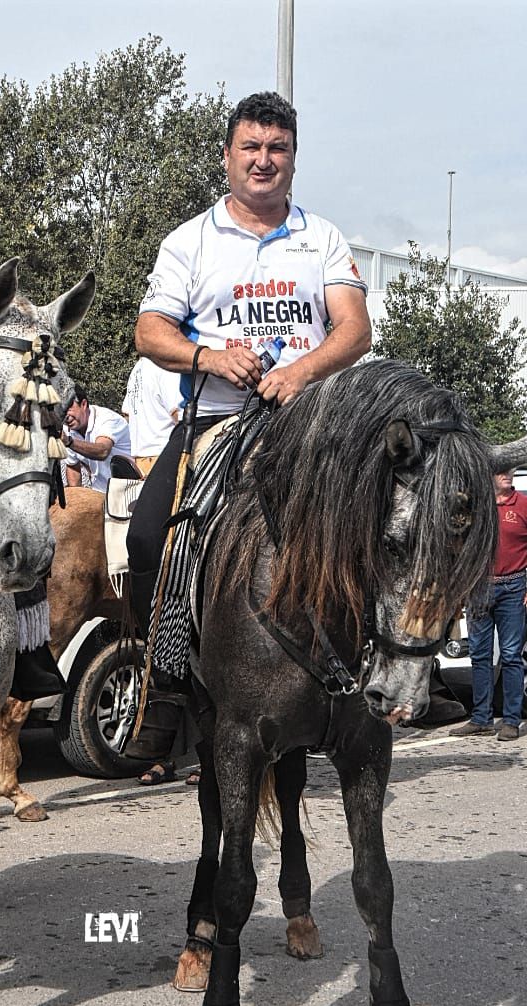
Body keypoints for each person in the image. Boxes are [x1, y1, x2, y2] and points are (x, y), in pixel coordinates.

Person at [125, 90, 372, 761]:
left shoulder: (320, 237)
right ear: (227, 156)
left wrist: (300, 372)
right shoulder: (189, 240)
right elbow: (150, 331)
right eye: (251, 149)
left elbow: (354, 329)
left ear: (292, 157)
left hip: (309, 424)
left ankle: (381, 676)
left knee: (388, 525)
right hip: (214, 421)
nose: (263, 161)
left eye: (277, 149)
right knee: (147, 538)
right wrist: (207, 355)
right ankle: (165, 684)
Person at [452, 469, 527, 741]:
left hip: (512, 586)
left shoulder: (525, 505)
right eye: (501, 471)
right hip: (478, 586)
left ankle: (511, 720)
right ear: (488, 476)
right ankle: (481, 718)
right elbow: (459, 544)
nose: (507, 475)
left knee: (510, 655)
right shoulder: (476, 506)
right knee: (479, 654)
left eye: (510, 470)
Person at [62, 386, 132, 492]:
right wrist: (76, 497)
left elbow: (102, 451)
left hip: (129, 490)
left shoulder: (108, 420)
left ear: (84, 404)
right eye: (61, 411)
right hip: (101, 492)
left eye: (68, 409)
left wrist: (69, 442)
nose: (66, 416)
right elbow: (73, 467)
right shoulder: (67, 430)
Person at [122, 357, 180, 478]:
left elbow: (127, 413)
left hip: (141, 461)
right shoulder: (164, 367)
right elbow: (178, 414)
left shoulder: (137, 368)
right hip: (164, 458)